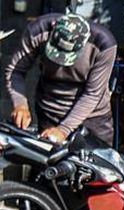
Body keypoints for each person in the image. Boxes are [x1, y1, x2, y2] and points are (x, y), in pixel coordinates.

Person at [4, 13, 117, 145]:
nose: (60, 63)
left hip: (93, 118)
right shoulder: (38, 31)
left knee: (96, 163)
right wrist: (20, 104)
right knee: (48, 163)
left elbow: (93, 93)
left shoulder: (103, 44)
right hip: (50, 113)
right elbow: (16, 70)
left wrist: (64, 130)